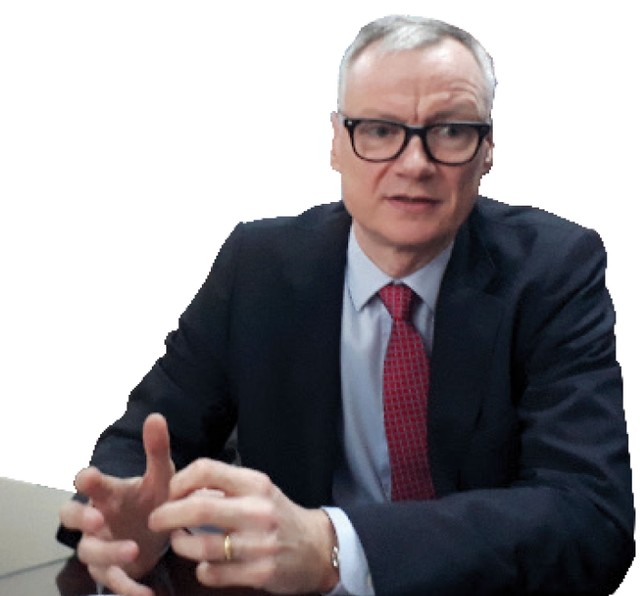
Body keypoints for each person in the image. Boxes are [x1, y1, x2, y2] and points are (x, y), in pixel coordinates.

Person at [58, 14, 635, 596]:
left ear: (487, 149)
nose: (415, 163)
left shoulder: (553, 270)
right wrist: (120, 522)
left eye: (451, 131)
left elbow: (591, 516)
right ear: (336, 142)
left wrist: (335, 546)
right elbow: (145, 443)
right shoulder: (257, 264)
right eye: (380, 130)